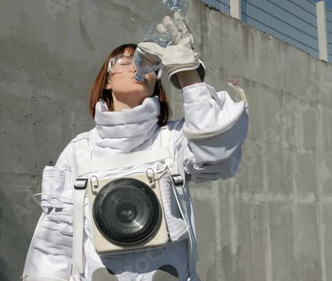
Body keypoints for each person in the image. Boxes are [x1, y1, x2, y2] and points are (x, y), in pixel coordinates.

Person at [22, 13, 249, 281]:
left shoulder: (173, 139)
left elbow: (217, 153)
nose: (136, 68)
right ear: (106, 81)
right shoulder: (80, 151)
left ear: (156, 84)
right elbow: (55, 237)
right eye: (124, 61)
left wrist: (188, 74)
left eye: (148, 66)